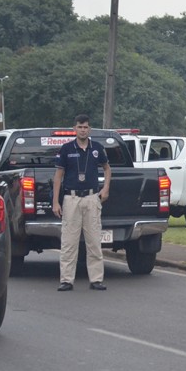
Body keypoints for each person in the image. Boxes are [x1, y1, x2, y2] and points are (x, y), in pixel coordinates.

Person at [52, 114, 112, 292]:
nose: (83, 130)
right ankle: (66, 280)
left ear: (89, 129)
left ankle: (96, 279)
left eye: (86, 127)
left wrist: (105, 188)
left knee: (94, 240)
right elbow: (58, 176)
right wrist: (56, 201)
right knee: (69, 241)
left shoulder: (97, 148)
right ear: (74, 129)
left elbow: (107, 168)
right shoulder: (66, 149)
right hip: (71, 199)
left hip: (92, 198)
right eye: (80, 127)